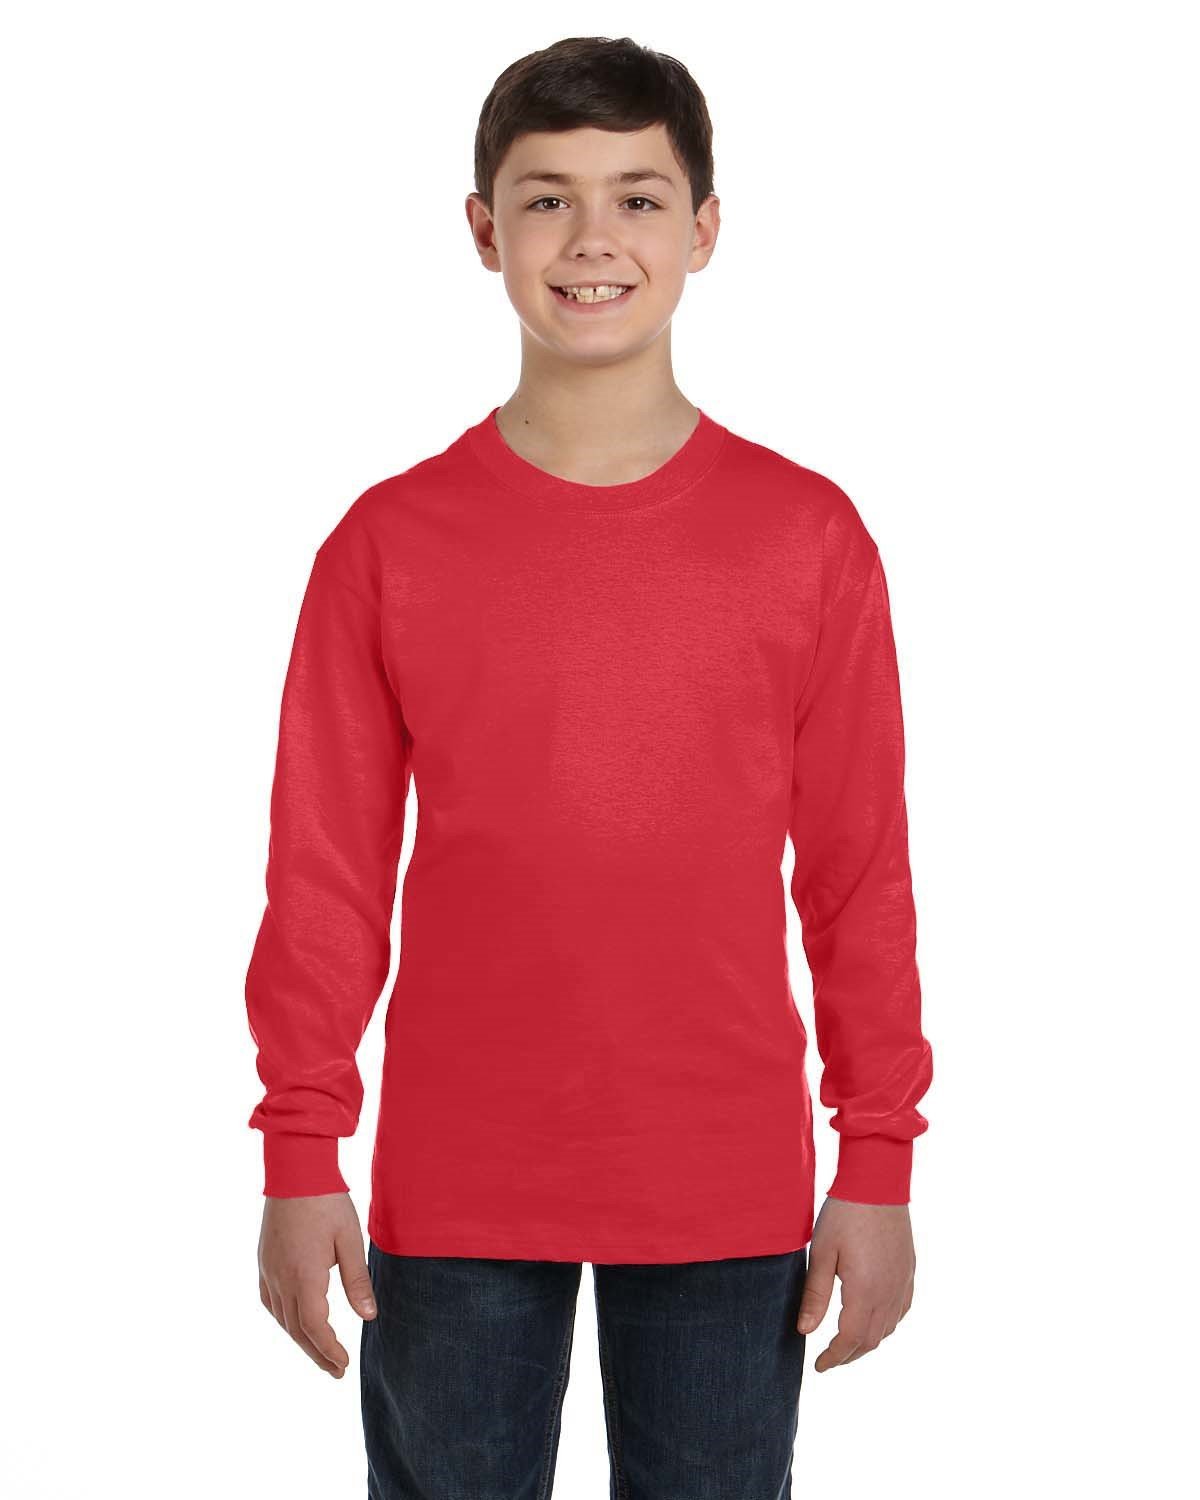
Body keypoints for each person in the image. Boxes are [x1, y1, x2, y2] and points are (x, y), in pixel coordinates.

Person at [245, 33, 934, 1499]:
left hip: (723, 1175)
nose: (592, 238)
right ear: (483, 229)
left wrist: (877, 1157)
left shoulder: (807, 539)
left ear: (705, 229)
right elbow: (324, 875)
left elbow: (860, 876)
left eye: (637, 196)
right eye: (547, 198)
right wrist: (301, 1147)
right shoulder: (388, 544)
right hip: (456, 1180)